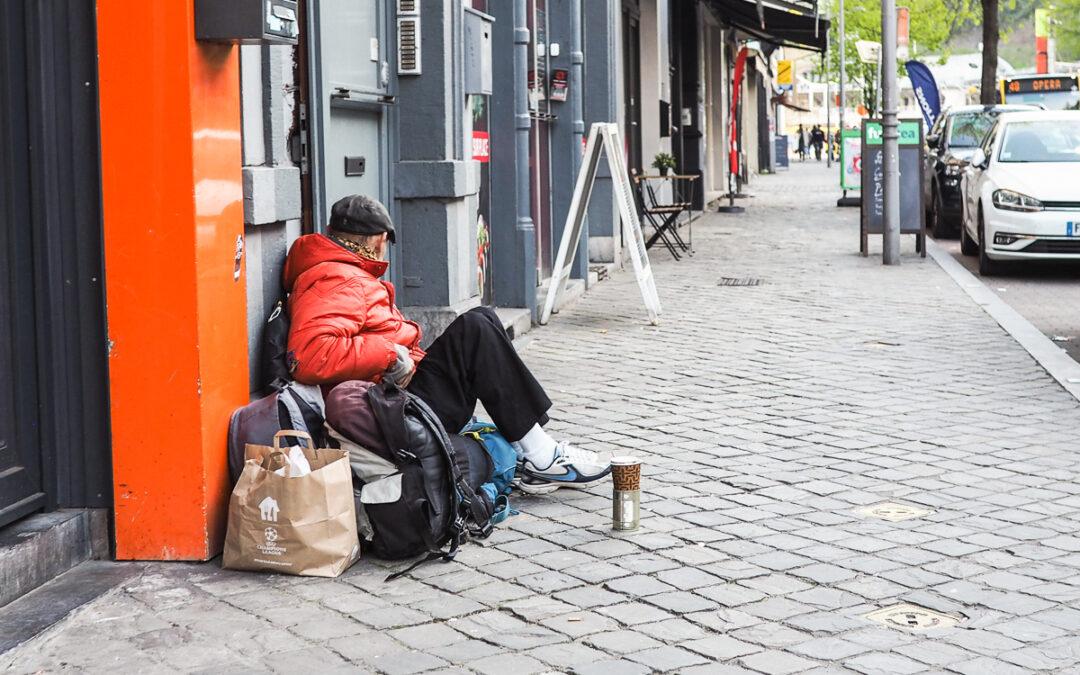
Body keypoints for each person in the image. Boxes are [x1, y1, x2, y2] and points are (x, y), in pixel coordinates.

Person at [283, 195, 612, 494]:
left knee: (481, 322)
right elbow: (309, 355)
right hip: (388, 411)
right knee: (476, 328)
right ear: (377, 240)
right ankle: (542, 456)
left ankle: (536, 449)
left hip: (393, 397)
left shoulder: (342, 273)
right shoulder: (336, 277)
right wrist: (389, 354)